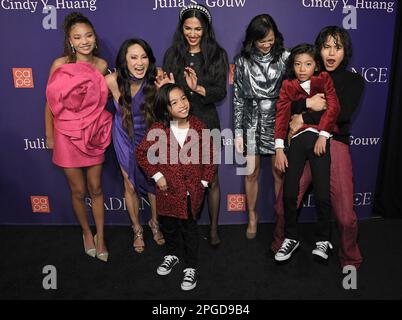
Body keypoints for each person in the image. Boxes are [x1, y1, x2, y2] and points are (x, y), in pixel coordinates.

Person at [272, 26, 364, 269]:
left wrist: (304, 117)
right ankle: (280, 243)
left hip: (335, 144)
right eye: (326, 47)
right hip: (303, 142)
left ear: (346, 51)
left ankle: (350, 257)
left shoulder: (354, 80)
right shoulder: (307, 76)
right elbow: (286, 108)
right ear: (318, 51)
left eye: (338, 47)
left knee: (345, 217)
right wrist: (306, 104)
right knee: (284, 204)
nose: (331, 53)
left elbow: (342, 114)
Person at [136, 83, 216, 291]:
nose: (182, 105)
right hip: (167, 193)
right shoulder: (158, 129)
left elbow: (210, 157)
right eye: (174, 102)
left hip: (192, 193)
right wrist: (157, 174)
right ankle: (172, 255)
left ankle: (191, 267)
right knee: (169, 228)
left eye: (183, 99)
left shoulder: (199, 127)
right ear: (165, 108)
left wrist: (203, 182)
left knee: (190, 231)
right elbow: (142, 154)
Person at [45, 12, 111, 262]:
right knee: (78, 190)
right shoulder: (59, 65)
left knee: (96, 188)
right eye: (78, 37)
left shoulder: (103, 65)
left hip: (93, 133)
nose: (84, 41)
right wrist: (49, 135)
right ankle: (86, 233)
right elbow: (50, 104)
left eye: (89, 35)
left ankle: (101, 236)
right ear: (70, 41)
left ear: (95, 38)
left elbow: (104, 100)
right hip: (65, 134)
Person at [162, 4, 228, 246]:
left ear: (206, 29)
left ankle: (213, 229)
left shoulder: (217, 54)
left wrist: (196, 88)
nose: (192, 33)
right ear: (182, 28)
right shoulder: (173, 54)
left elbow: (220, 91)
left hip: (207, 122)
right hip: (178, 124)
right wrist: (166, 88)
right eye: (188, 28)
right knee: (179, 178)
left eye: (197, 28)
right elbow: (168, 91)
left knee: (211, 179)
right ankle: (183, 229)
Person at [273, 43, 340, 262]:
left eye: (308, 64)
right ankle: (291, 238)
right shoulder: (288, 86)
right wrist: (280, 149)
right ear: (292, 66)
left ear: (316, 65)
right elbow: (282, 117)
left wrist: (323, 134)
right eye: (298, 64)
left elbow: (334, 108)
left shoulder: (324, 81)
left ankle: (323, 238)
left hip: (320, 139)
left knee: (322, 192)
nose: (302, 69)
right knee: (290, 192)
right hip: (298, 141)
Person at [105, 39, 165, 254]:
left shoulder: (157, 76)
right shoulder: (112, 80)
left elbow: (172, 104)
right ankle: (137, 229)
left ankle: (155, 223)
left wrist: (165, 89)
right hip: (124, 138)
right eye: (133, 57)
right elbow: (89, 104)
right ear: (124, 60)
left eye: (144, 57)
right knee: (129, 185)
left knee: (153, 184)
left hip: (150, 138)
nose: (140, 62)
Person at [233, 14, 289, 239]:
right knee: (251, 173)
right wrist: (238, 131)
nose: (266, 45)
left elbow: (295, 91)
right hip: (251, 121)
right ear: (252, 39)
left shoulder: (286, 57)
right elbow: (238, 97)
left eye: (270, 40)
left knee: (279, 173)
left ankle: (280, 218)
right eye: (261, 40)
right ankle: (252, 216)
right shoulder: (241, 60)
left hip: (278, 120)